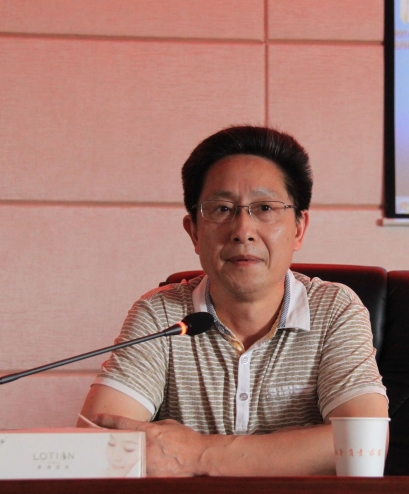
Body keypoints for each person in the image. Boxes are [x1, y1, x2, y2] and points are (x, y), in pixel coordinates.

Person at [78, 126, 388, 476]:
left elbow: (365, 444)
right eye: (222, 209)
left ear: (298, 228)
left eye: (265, 207)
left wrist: (198, 455)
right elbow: (97, 444)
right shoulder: (161, 315)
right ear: (194, 232)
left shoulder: (334, 310)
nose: (242, 230)